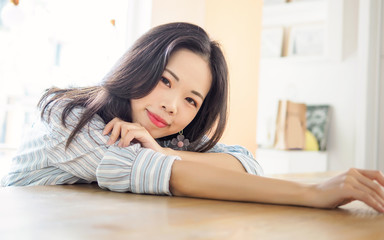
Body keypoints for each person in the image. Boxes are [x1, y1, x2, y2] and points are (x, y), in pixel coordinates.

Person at [2, 22, 384, 213]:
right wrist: (311, 194)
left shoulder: (158, 135)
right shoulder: (67, 119)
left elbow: (246, 164)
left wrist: (162, 152)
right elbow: (172, 177)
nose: (172, 106)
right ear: (139, 67)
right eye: (165, 80)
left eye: (191, 100)